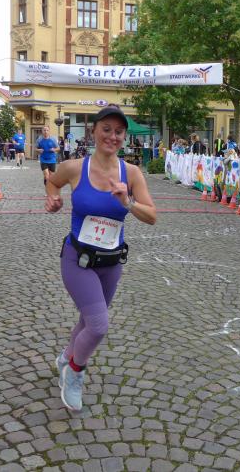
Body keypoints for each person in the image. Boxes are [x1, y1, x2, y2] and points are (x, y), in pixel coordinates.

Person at [45, 105, 157, 412]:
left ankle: (66, 356)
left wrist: (128, 201)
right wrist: (52, 198)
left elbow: (152, 216)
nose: (112, 136)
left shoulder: (131, 173)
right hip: (77, 260)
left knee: (87, 319)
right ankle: (74, 372)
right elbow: (52, 182)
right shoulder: (73, 167)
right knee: (98, 325)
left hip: (111, 263)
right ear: (93, 131)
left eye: (119, 132)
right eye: (106, 129)